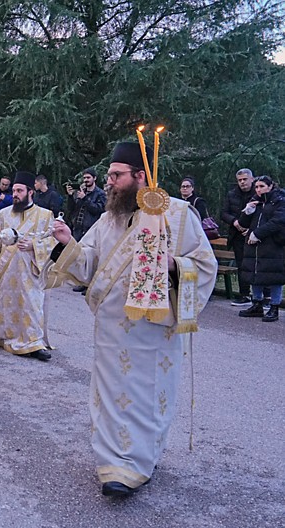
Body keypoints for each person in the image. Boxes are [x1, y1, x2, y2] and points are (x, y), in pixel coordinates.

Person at [47, 141, 217, 497]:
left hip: (155, 333)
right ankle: (112, 463)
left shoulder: (179, 213)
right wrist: (67, 243)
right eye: (109, 175)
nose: (109, 182)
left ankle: (139, 462)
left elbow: (204, 265)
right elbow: (88, 263)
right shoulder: (109, 220)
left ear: (141, 176)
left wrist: (173, 265)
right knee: (110, 396)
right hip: (111, 331)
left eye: (116, 175)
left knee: (146, 394)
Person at [0, 171, 57, 362]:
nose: (16, 195)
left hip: (31, 271)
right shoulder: (4, 214)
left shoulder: (45, 215)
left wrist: (33, 246)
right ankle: (3, 336)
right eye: (14, 191)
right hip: (8, 271)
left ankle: (34, 343)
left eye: (19, 190)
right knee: (6, 302)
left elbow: (53, 242)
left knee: (32, 305)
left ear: (30, 192)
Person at [236, 175, 285, 322]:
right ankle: (256, 304)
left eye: (262, 186)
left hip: (273, 245)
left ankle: (274, 306)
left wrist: (257, 233)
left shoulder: (279, 201)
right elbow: (243, 223)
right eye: (256, 187)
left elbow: (278, 222)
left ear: (270, 187)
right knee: (254, 274)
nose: (258, 189)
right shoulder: (255, 201)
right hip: (254, 245)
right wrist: (247, 212)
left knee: (274, 275)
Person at [65, 167, 106, 293]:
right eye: (84, 178)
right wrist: (71, 196)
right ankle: (81, 281)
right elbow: (72, 209)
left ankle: (90, 285)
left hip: (91, 229)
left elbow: (98, 209)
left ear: (94, 178)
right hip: (78, 227)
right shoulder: (81, 191)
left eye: (88, 178)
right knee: (79, 256)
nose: (86, 180)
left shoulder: (100, 194)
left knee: (91, 257)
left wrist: (85, 199)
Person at [220, 168, 257, 306]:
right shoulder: (232, 194)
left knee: (257, 265)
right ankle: (244, 294)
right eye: (240, 180)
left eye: (245, 179)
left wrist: (250, 229)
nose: (242, 182)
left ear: (251, 179)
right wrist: (235, 222)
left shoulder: (258, 193)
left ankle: (263, 296)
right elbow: (224, 213)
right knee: (242, 265)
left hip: (254, 235)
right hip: (238, 235)